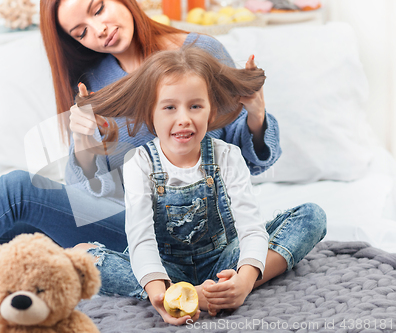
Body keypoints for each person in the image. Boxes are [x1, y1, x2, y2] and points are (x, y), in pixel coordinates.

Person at [0, 0, 281, 266]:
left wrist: (257, 114)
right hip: (116, 215)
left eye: (98, 8)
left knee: (17, 191)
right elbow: (85, 194)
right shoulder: (93, 80)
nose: (100, 30)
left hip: (178, 228)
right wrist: (84, 146)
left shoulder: (200, 50)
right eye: (81, 31)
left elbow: (245, 162)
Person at [73, 47, 327, 325]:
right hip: (165, 269)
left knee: (312, 215)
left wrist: (244, 280)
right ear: (151, 113)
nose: (184, 118)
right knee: (79, 257)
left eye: (195, 106)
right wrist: (161, 297)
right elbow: (141, 239)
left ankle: (227, 290)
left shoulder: (228, 156)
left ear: (211, 110)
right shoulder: (140, 163)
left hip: (224, 262)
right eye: (169, 107)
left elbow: (251, 229)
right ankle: (183, 294)